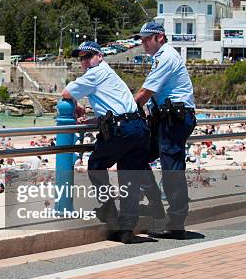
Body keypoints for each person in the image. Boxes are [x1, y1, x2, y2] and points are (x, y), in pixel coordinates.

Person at [62, 41, 150, 244]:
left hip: (122, 130)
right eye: (81, 58)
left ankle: (109, 211)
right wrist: (95, 119)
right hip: (138, 128)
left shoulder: (95, 73)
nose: (84, 61)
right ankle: (126, 229)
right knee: (129, 177)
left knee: (96, 165)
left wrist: (76, 105)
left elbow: (66, 93)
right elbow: (117, 107)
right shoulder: (112, 75)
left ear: (100, 56)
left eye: (88, 56)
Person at [134, 22, 196, 240]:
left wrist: (125, 111)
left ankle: (176, 223)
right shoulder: (160, 58)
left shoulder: (166, 57)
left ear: (159, 37)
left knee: (172, 169)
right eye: (140, 40)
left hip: (174, 119)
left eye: (146, 39)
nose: (142, 43)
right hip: (165, 118)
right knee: (136, 154)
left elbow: (145, 92)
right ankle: (156, 205)